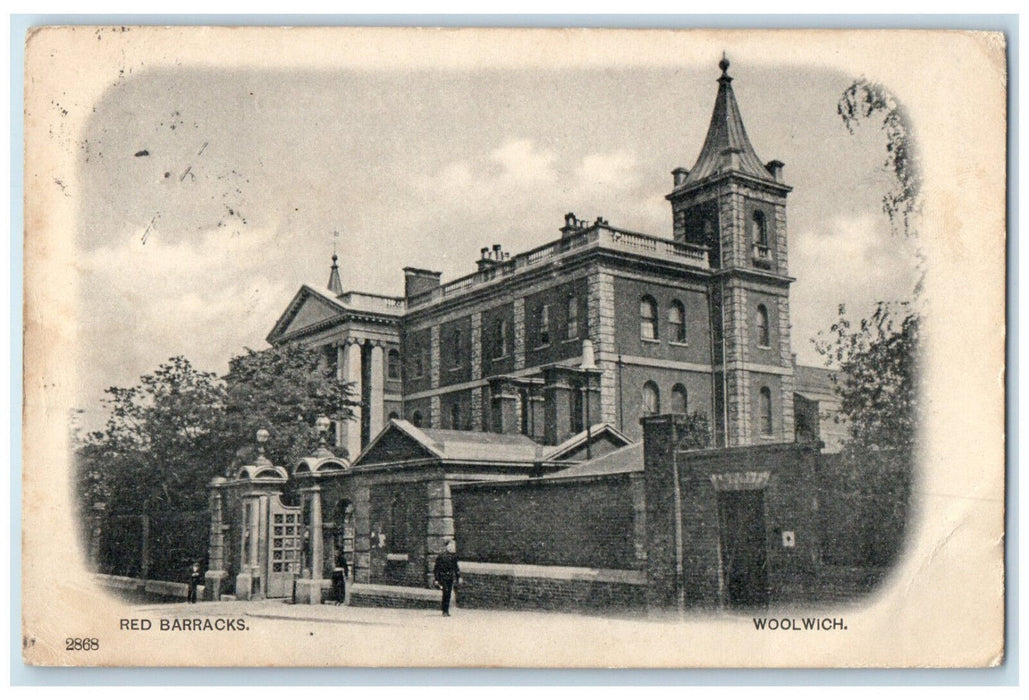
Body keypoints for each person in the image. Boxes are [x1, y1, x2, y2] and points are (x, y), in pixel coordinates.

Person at [432, 539, 460, 616]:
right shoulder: (441, 556)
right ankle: (444, 610)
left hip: (450, 577)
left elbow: (456, 568)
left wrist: (458, 577)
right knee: (446, 592)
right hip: (443, 577)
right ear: (447, 547)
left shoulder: (454, 557)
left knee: (448, 593)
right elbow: (436, 569)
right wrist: (436, 579)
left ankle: (446, 610)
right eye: (450, 546)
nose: (452, 548)